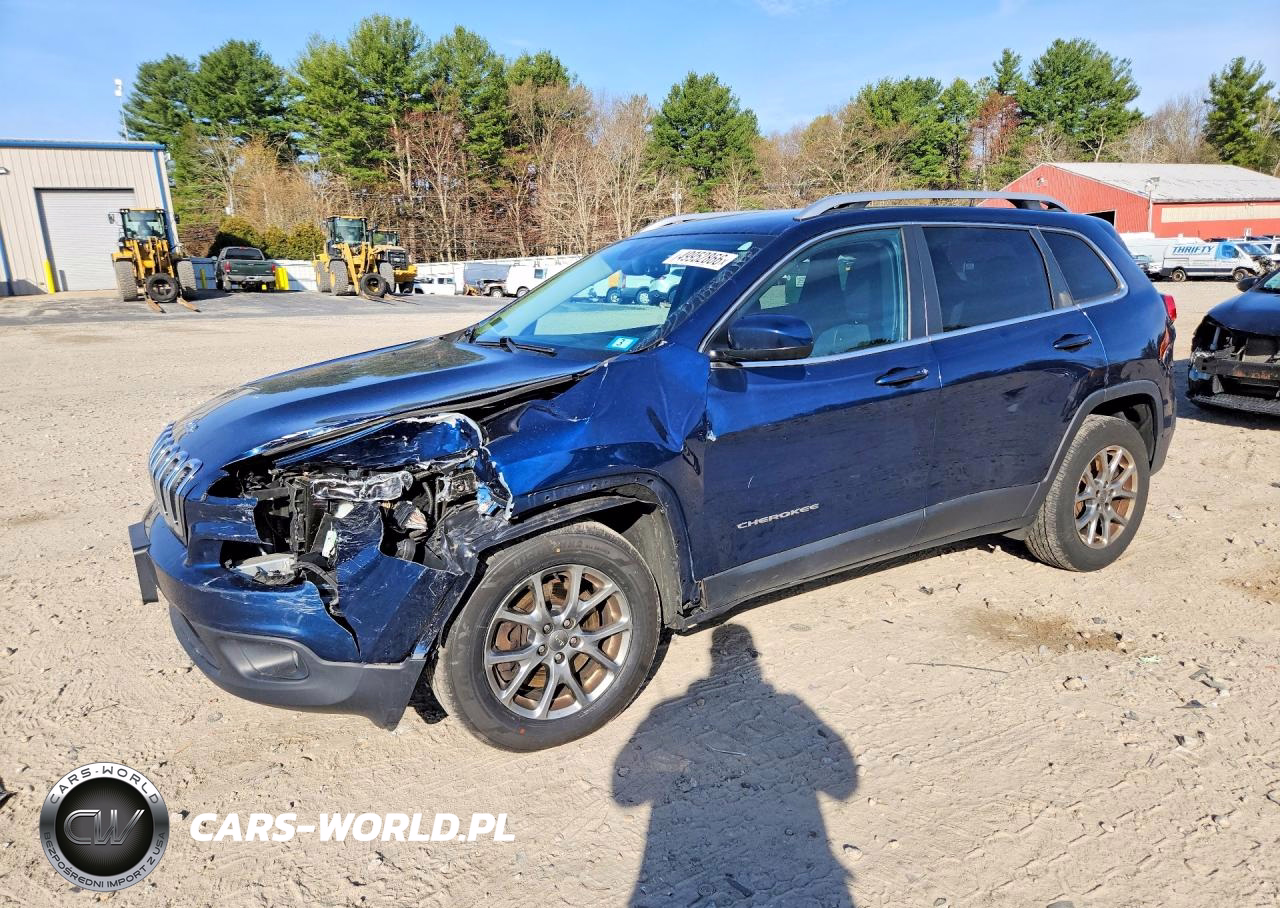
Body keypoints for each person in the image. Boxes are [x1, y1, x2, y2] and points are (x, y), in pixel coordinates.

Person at [613, 624, 857, 907]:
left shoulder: (665, 711)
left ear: (713, 655)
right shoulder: (788, 705)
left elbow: (624, 796)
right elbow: (845, 784)